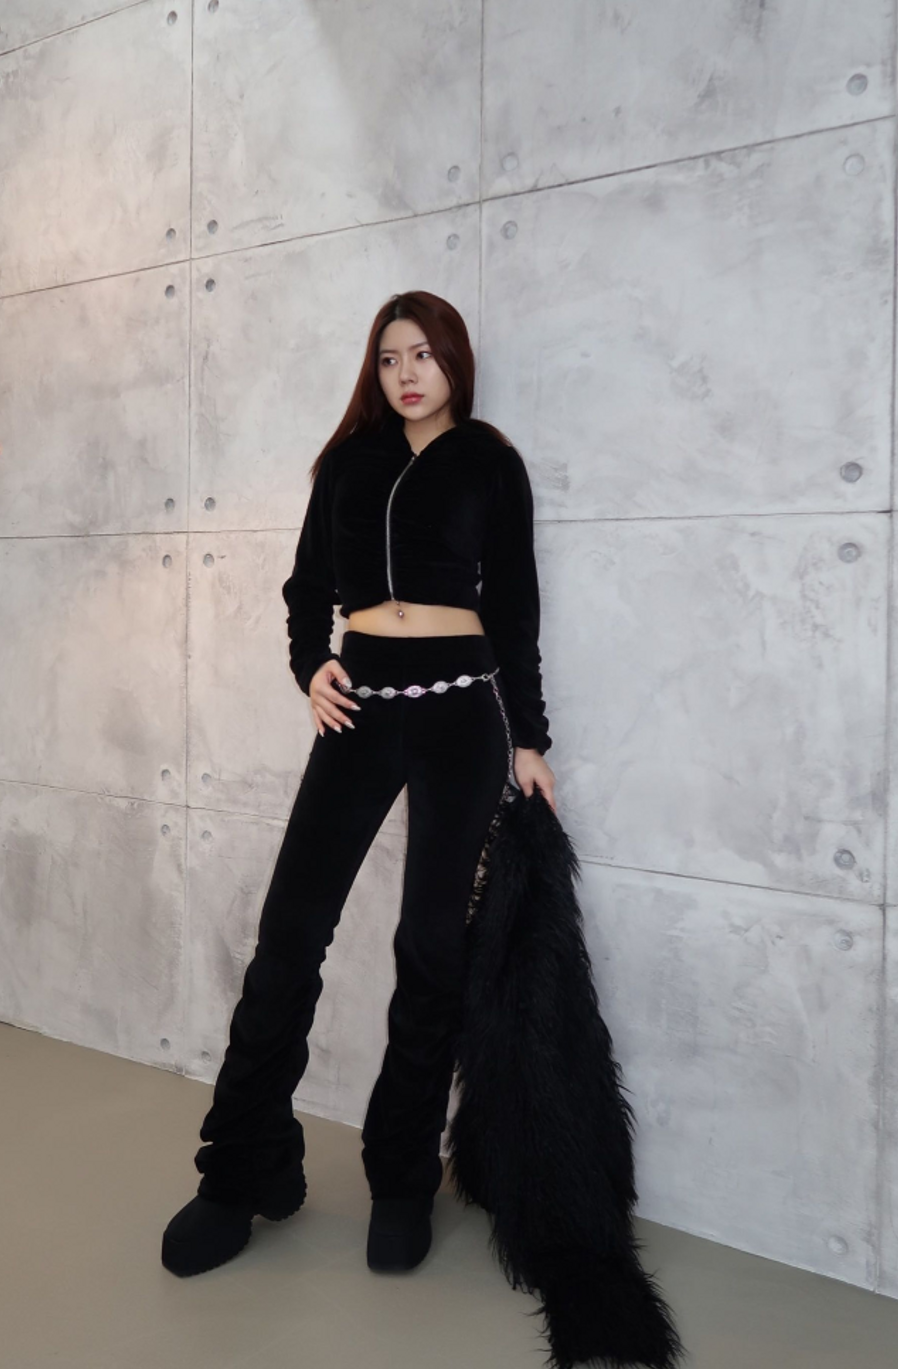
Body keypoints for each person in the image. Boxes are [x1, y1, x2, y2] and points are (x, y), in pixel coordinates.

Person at [161, 289, 555, 1278]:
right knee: (290, 935)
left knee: (431, 945)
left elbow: (515, 608)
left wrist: (530, 739)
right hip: (361, 711)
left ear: (455, 362)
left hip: (462, 716)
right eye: (389, 358)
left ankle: (401, 1177)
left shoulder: (489, 462)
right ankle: (238, 1172)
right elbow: (307, 588)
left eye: (423, 354)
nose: (406, 373)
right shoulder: (348, 462)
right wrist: (312, 667)